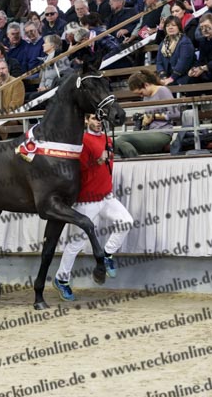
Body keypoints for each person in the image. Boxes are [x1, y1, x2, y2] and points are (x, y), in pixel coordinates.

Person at [52, 113, 133, 301]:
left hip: (106, 196)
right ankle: (61, 278)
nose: (98, 122)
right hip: (88, 199)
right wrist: (97, 161)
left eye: (100, 119)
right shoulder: (82, 141)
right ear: (86, 120)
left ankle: (107, 254)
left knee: (126, 222)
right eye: (95, 118)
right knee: (77, 243)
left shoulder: (107, 139)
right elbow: (76, 169)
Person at [114, 70, 180, 157]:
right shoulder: (146, 96)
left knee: (122, 139)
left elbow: (176, 114)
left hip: (162, 133)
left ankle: (134, 161)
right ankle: (135, 159)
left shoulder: (162, 90)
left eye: (141, 93)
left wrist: (154, 116)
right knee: (115, 144)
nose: (141, 96)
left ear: (146, 85)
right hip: (149, 132)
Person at [155, 16, 195, 85]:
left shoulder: (185, 42)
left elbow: (183, 63)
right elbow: (159, 62)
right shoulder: (163, 43)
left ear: (179, 27)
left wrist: (172, 78)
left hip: (183, 77)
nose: (170, 27)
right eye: (167, 26)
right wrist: (163, 76)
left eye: (173, 25)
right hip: (167, 77)